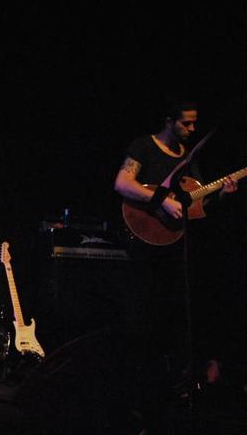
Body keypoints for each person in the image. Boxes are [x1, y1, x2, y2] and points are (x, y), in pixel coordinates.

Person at [113, 100, 237, 428]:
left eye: (195, 125)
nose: (192, 130)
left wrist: (222, 195)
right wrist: (161, 202)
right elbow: (123, 184)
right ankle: (136, 400)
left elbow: (195, 205)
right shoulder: (143, 146)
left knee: (174, 321)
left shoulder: (187, 156)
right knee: (142, 324)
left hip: (173, 251)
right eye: (186, 124)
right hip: (144, 249)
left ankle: (174, 396)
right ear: (169, 121)